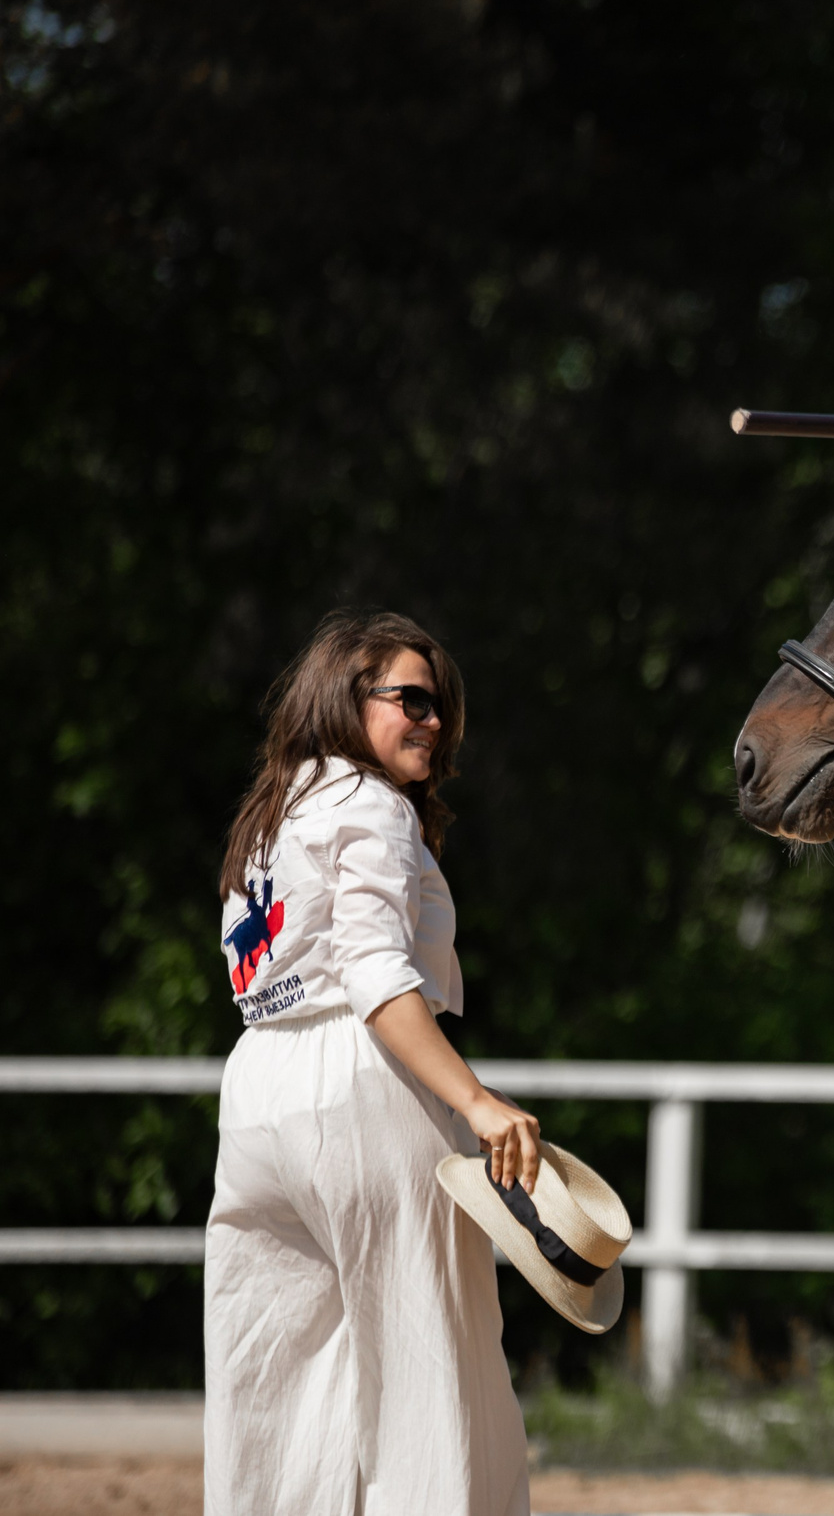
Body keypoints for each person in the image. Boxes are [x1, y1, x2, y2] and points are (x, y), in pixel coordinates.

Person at [204, 610, 538, 1516]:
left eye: (443, 710)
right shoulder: (369, 801)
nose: (434, 721)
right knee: (431, 1372)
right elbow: (375, 972)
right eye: (413, 700)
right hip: (359, 1079)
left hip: (258, 1088)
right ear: (345, 701)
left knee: (273, 1381)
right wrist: (475, 1100)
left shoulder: (270, 814)